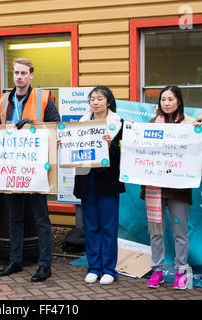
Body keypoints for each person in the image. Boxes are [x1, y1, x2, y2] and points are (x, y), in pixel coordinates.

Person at [0, 58, 60, 282]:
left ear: (32, 75)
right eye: (16, 73)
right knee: (14, 218)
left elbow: (56, 128)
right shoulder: (4, 100)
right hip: (12, 169)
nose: (19, 77)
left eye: (23, 73)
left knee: (41, 219)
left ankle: (44, 265)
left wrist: (32, 126)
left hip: (36, 170)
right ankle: (15, 261)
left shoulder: (43, 98)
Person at [141, 86, 194, 290]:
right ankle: (158, 270)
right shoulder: (151, 124)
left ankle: (181, 271)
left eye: (170, 99)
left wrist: (199, 131)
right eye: (163, 99)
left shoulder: (189, 125)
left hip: (178, 188)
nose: (166, 103)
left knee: (180, 232)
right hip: (155, 187)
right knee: (156, 231)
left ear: (178, 101)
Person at [72, 86, 125, 285]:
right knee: (91, 226)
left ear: (108, 102)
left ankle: (109, 269)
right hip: (87, 180)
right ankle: (94, 267)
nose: (95, 102)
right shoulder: (80, 124)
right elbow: (73, 153)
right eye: (92, 99)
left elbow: (123, 155)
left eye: (99, 98)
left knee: (108, 226)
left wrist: (111, 145)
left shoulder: (118, 124)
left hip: (108, 182)